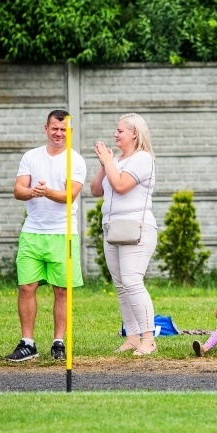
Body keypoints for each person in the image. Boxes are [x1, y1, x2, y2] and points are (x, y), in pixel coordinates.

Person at [7, 110, 86, 362]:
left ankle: (58, 343)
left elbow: (69, 195)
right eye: (54, 128)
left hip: (63, 233)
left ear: (70, 131)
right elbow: (18, 190)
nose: (59, 133)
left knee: (61, 291)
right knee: (26, 287)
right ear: (46, 128)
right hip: (32, 232)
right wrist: (33, 192)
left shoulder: (76, 161)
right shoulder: (31, 156)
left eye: (63, 129)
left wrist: (46, 192)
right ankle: (27, 343)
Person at [92, 113, 158, 356]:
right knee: (121, 285)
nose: (115, 134)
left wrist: (109, 163)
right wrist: (105, 164)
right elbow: (95, 189)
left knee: (132, 282)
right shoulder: (116, 160)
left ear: (134, 133)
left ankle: (148, 339)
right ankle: (132, 337)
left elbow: (120, 186)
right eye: (116, 130)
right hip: (113, 229)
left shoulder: (143, 159)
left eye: (120, 131)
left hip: (137, 229)